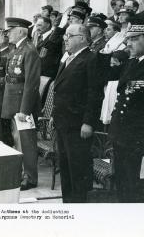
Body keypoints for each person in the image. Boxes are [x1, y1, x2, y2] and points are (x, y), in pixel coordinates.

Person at [52, 24, 102, 203]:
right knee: (66, 168)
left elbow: (95, 93)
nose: (65, 38)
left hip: (77, 124)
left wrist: (88, 122)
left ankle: (80, 208)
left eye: (69, 35)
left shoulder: (90, 58)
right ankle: (69, 205)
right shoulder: (69, 58)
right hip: (63, 122)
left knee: (78, 169)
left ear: (82, 38)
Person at [106, 18, 144, 202]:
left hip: (137, 134)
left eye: (135, 38)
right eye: (128, 38)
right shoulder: (132, 62)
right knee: (122, 180)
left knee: (132, 182)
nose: (129, 43)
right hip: (123, 132)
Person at [1, 17, 41, 191]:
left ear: (20, 31)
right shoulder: (16, 49)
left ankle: (30, 177)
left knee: (26, 141)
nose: (7, 34)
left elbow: (31, 83)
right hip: (13, 101)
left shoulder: (29, 50)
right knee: (18, 140)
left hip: (23, 105)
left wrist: (25, 109)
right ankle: (23, 173)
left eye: (10, 31)